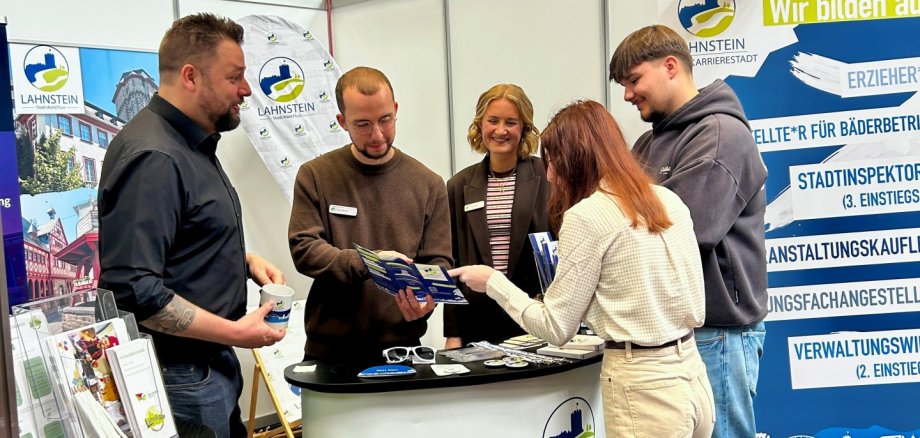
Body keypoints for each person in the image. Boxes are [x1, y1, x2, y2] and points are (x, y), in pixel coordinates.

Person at [451, 100, 715, 437]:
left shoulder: (587, 216)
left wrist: (493, 282)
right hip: (693, 378)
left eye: (551, 162)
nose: (548, 175)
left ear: (571, 161)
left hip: (644, 391)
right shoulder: (667, 199)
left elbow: (556, 326)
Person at [98, 13, 286, 437]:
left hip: (206, 368)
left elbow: (183, 239)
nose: (246, 89)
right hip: (182, 377)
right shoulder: (155, 157)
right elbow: (135, 290)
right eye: (234, 77)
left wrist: (242, 261)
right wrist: (237, 332)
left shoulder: (190, 143)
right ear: (190, 76)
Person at [609, 24, 768, 438]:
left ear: (670, 66)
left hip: (717, 334)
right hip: (671, 335)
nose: (627, 95)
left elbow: (685, 234)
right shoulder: (647, 145)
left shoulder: (720, 135)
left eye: (633, 80)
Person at [288, 66, 452, 363]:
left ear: (395, 110)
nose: (377, 134)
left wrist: (427, 301)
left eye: (386, 120)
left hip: (401, 349)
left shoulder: (428, 184)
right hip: (329, 351)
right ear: (342, 121)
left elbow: (438, 262)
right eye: (363, 124)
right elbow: (305, 250)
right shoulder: (316, 176)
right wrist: (369, 262)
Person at [443, 84, 549, 349]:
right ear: (480, 124)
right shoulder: (459, 186)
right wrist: (452, 333)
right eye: (493, 121)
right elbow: (453, 262)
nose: (500, 131)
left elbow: (563, 246)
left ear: (524, 127)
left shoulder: (547, 176)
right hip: (477, 325)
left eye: (510, 122)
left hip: (533, 319)